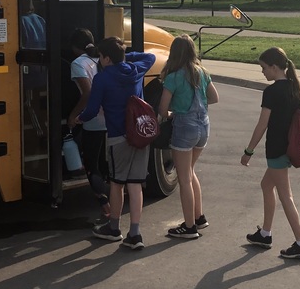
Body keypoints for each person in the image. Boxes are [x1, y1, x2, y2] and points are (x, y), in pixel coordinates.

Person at [71, 37, 156, 251]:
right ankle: (135, 233)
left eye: (101, 56)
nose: (99, 60)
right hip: (140, 134)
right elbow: (151, 56)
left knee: (117, 183)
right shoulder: (137, 69)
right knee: (135, 183)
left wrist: (78, 118)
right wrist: (126, 56)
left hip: (118, 136)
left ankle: (114, 228)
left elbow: (91, 110)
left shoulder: (102, 78)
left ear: (107, 58)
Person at [240, 46, 300, 260]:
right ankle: (265, 233)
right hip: (288, 149)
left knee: (285, 197)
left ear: (274, 67)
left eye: (263, 68)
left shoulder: (271, 92)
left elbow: (262, 124)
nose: (262, 72)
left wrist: (248, 151)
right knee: (266, 185)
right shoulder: (293, 88)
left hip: (277, 150)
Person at [159, 35, 220, 240]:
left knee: (183, 178)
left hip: (184, 127)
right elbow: (214, 97)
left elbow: (162, 107)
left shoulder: (174, 76)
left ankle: (189, 226)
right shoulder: (202, 72)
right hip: (204, 125)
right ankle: (199, 216)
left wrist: (171, 113)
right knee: (190, 171)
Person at [67, 28, 111, 224]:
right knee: (103, 163)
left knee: (91, 166)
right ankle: (113, 203)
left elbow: (87, 94)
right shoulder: (101, 59)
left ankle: (106, 208)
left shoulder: (78, 63)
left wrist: (73, 115)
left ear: (75, 47)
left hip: (92, 120)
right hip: (109, 117)